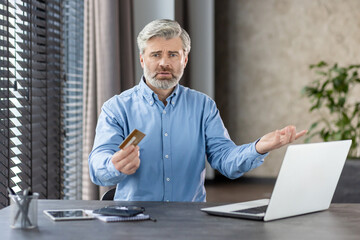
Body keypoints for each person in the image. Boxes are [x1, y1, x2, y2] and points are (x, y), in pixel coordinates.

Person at [88, 19, 307, 202]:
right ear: (142, 59)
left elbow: (226, 161)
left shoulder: (203, 106)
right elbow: (98, 167)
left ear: (184, 59)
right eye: (156, 55)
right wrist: (113, 165)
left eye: (173, 54)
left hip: (190, 222)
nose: (164, 63)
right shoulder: (116, 108)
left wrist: (259, 147)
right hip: (134, 222)